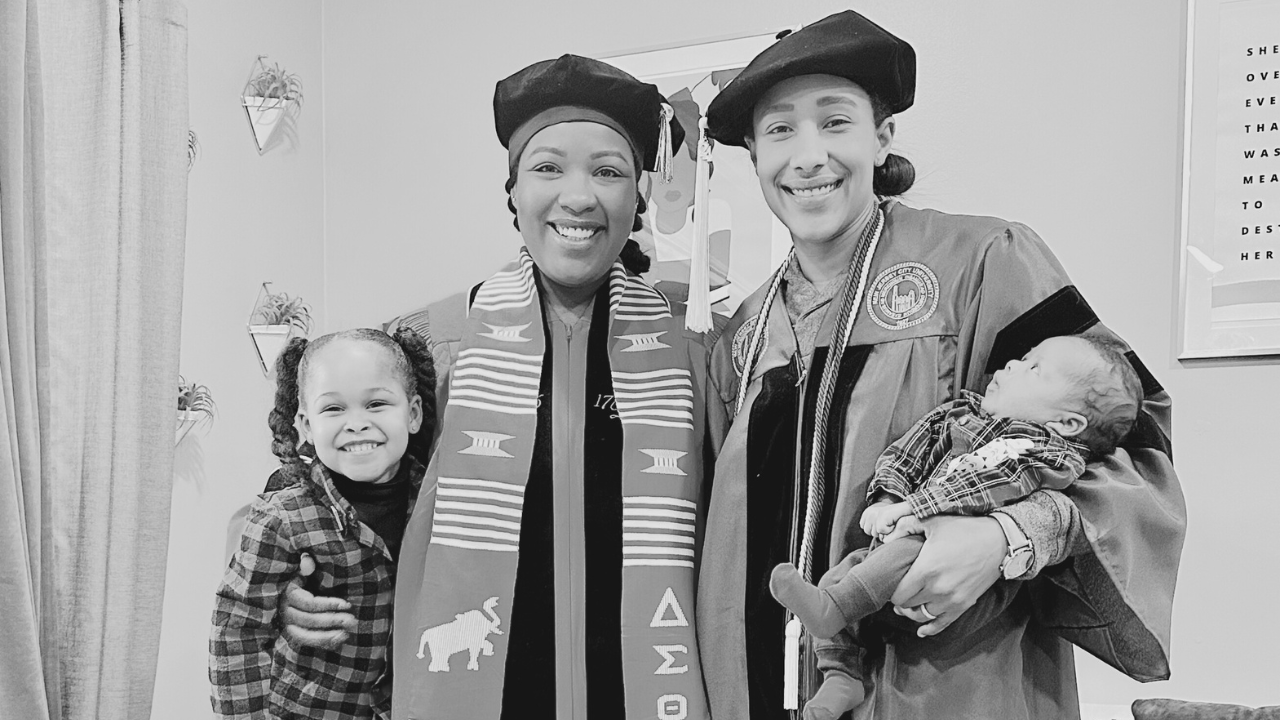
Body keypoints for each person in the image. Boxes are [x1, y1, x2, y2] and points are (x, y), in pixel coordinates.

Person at [694, 10, 1186, 720]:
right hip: (757, 686)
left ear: (881, 136)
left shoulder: (983, 263)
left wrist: (1009, 535)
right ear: (753, 152)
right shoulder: (743, 332)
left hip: (947, 685)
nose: (808, 156)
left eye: (835, 123)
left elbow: (1131, 444)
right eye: (779, 130)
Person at [262, 55, 716, 720]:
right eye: (548, 167)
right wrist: (291, 578)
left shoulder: (696, 347)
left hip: (651, 689)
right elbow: (321, 474)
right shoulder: (431, 345)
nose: (580, 196)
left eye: (609, 171)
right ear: (514, 192)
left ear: (638, 197)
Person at [769, 334, 1143, 719]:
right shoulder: (960, 416)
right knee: (842, 577)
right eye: (1024, 355)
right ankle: (841, 675)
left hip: (960, 585)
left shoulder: (1043, 450)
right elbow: (906, 454)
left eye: (1034, 368)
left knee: (859, 584)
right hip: (903, 541)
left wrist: (919, 509)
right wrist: (890, 497)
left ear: (1068, 422)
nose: (1013, 364)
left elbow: (994, 484)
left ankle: (833, 613)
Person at [210, 328, 435, 719]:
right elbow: (238, 630)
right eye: (333, 409)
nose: (356, 424)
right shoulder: (281, 518)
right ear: (307, 425)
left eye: (377, 403)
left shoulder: (444, 502)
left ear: (412, 413)